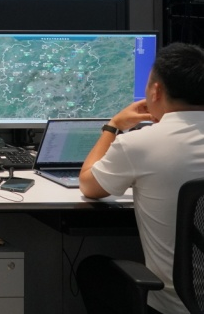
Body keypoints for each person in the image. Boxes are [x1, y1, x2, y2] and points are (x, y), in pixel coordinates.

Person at [78, 42, 204, 314]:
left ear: (155, 91)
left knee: (92, 269)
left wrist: (113, 126)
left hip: (175, 305)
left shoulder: (140, 144)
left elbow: (88, 185)